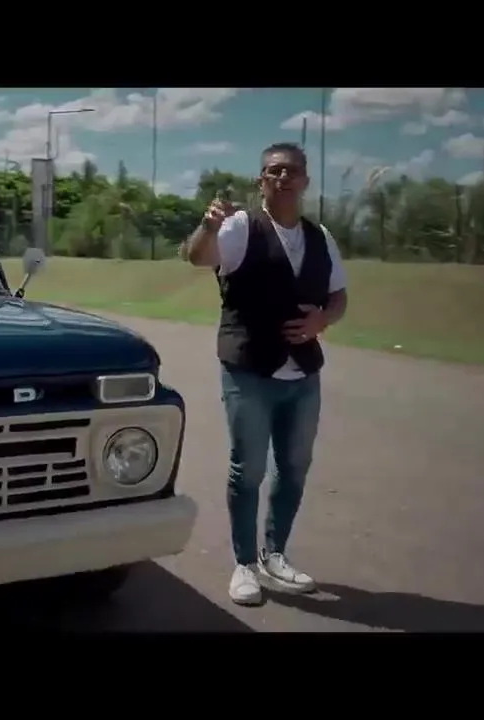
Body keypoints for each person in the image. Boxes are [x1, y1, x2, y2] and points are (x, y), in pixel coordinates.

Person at [182, 142, 348, 605]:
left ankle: (275, 554)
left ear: (305, 181)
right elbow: (197, 256)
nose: (283, 177)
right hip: (249, 371)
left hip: (303, 375)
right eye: (273, 171)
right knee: (248, 469)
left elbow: (339, 296)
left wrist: (323, 319)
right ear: (261, 181)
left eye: (291, 171)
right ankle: (244, 564)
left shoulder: (321, 237)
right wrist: (208, 226)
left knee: (294, 468)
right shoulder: (240, 227)